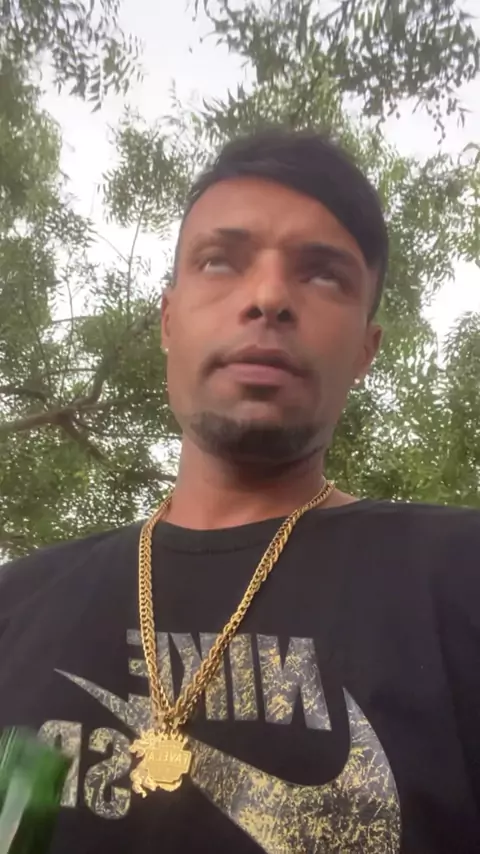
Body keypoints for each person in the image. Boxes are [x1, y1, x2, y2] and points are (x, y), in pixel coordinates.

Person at [0, 128, 479, 854]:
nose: (268, 297)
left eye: (324, 275)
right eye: (220, 260)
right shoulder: (15, 607)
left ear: (365, 350)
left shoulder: (462, 582)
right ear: (168, 320)